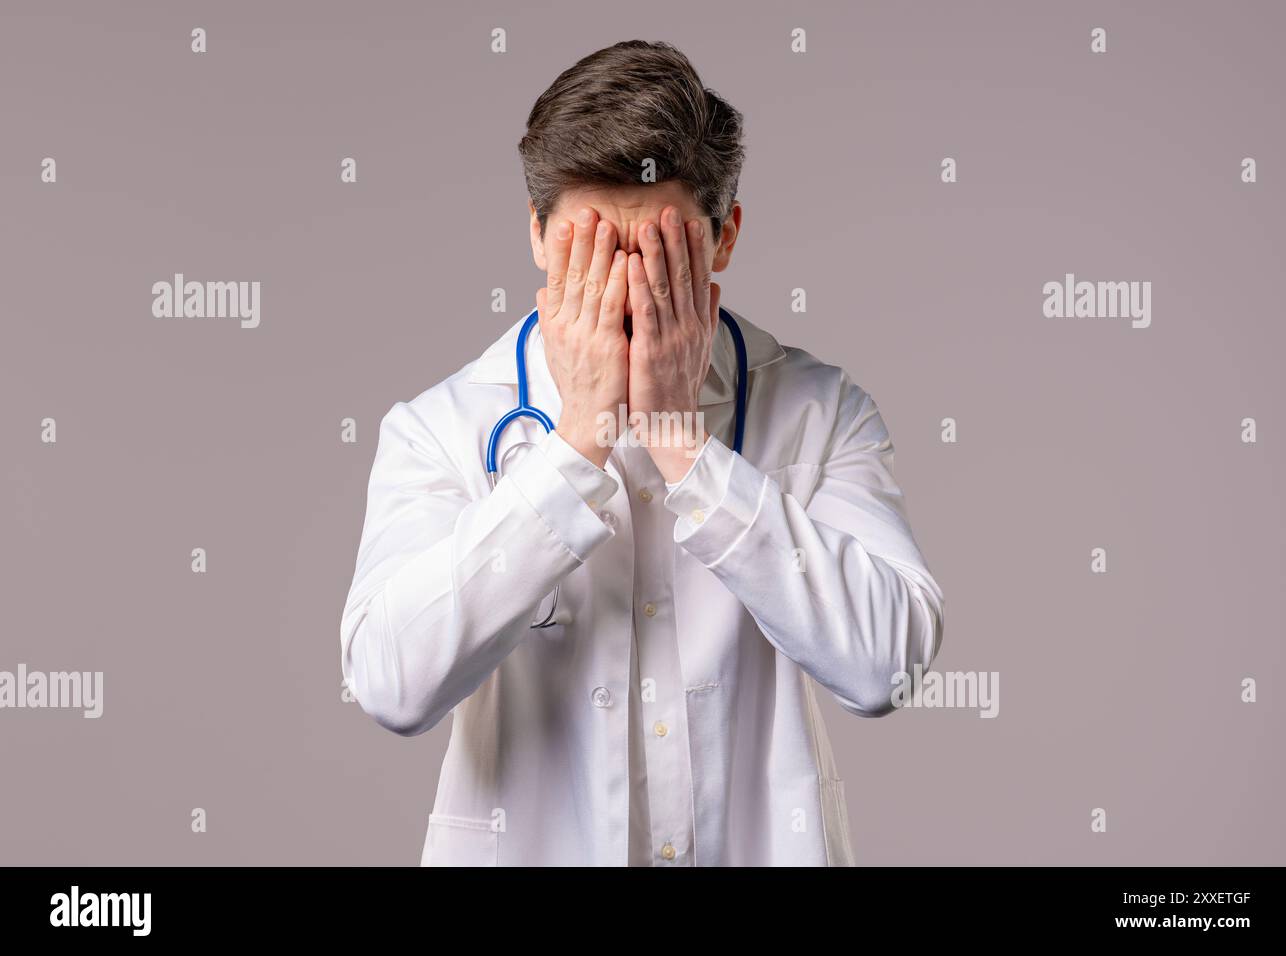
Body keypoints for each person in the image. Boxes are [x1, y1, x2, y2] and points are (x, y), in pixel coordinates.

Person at [339, 39, 944, 866]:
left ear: (724, 238)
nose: (624, 290)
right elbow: (393, 687)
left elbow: (885, 670)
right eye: (589, 254)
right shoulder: (440, 427)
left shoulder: (821, 410)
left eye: (658, 255)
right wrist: (574, 444)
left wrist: (686, 450)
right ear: (535, 235)